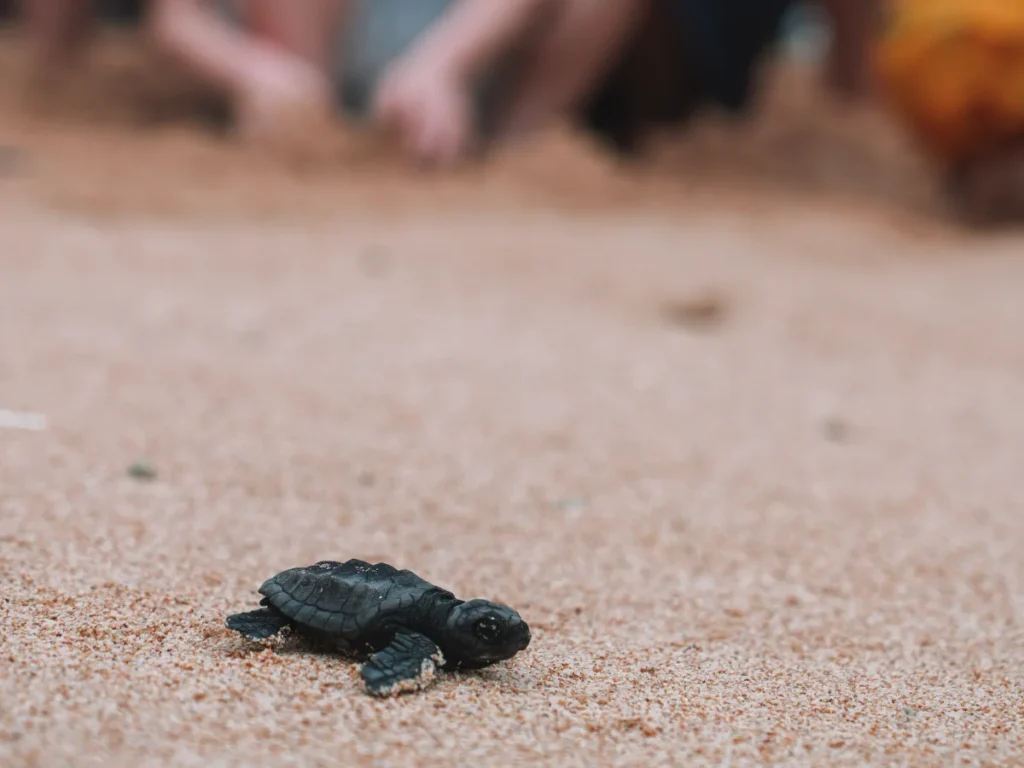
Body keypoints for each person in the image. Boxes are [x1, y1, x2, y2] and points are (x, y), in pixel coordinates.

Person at [17, 0, 877, 165]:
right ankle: (307, 128)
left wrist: (444, 66)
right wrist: (252, 71)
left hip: (470, 64)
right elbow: (176, 16)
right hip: (314, 58)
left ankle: (523, 152)